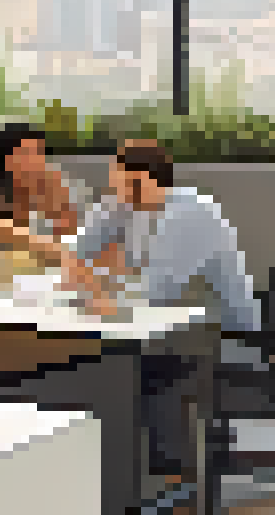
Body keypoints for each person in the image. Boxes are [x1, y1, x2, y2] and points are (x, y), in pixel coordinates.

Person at [46, 140, 259, 477]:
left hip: (217, 338)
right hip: (174, 328)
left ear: (141, 179)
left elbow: (157, 291)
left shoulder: (189, 213)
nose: (111, 184)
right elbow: (78, 250)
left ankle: (134, 472)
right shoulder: (127, 207)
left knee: (109, 366)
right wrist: (82, 267)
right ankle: (130, 466)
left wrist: (99, 289)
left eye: (117, 176)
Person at [0, 122, 94, 260]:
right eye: (27, 154)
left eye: (39, 153)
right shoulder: (0, 193)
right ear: (8, 160)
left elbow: (71, 235)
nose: (37, 161)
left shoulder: (54, 185)